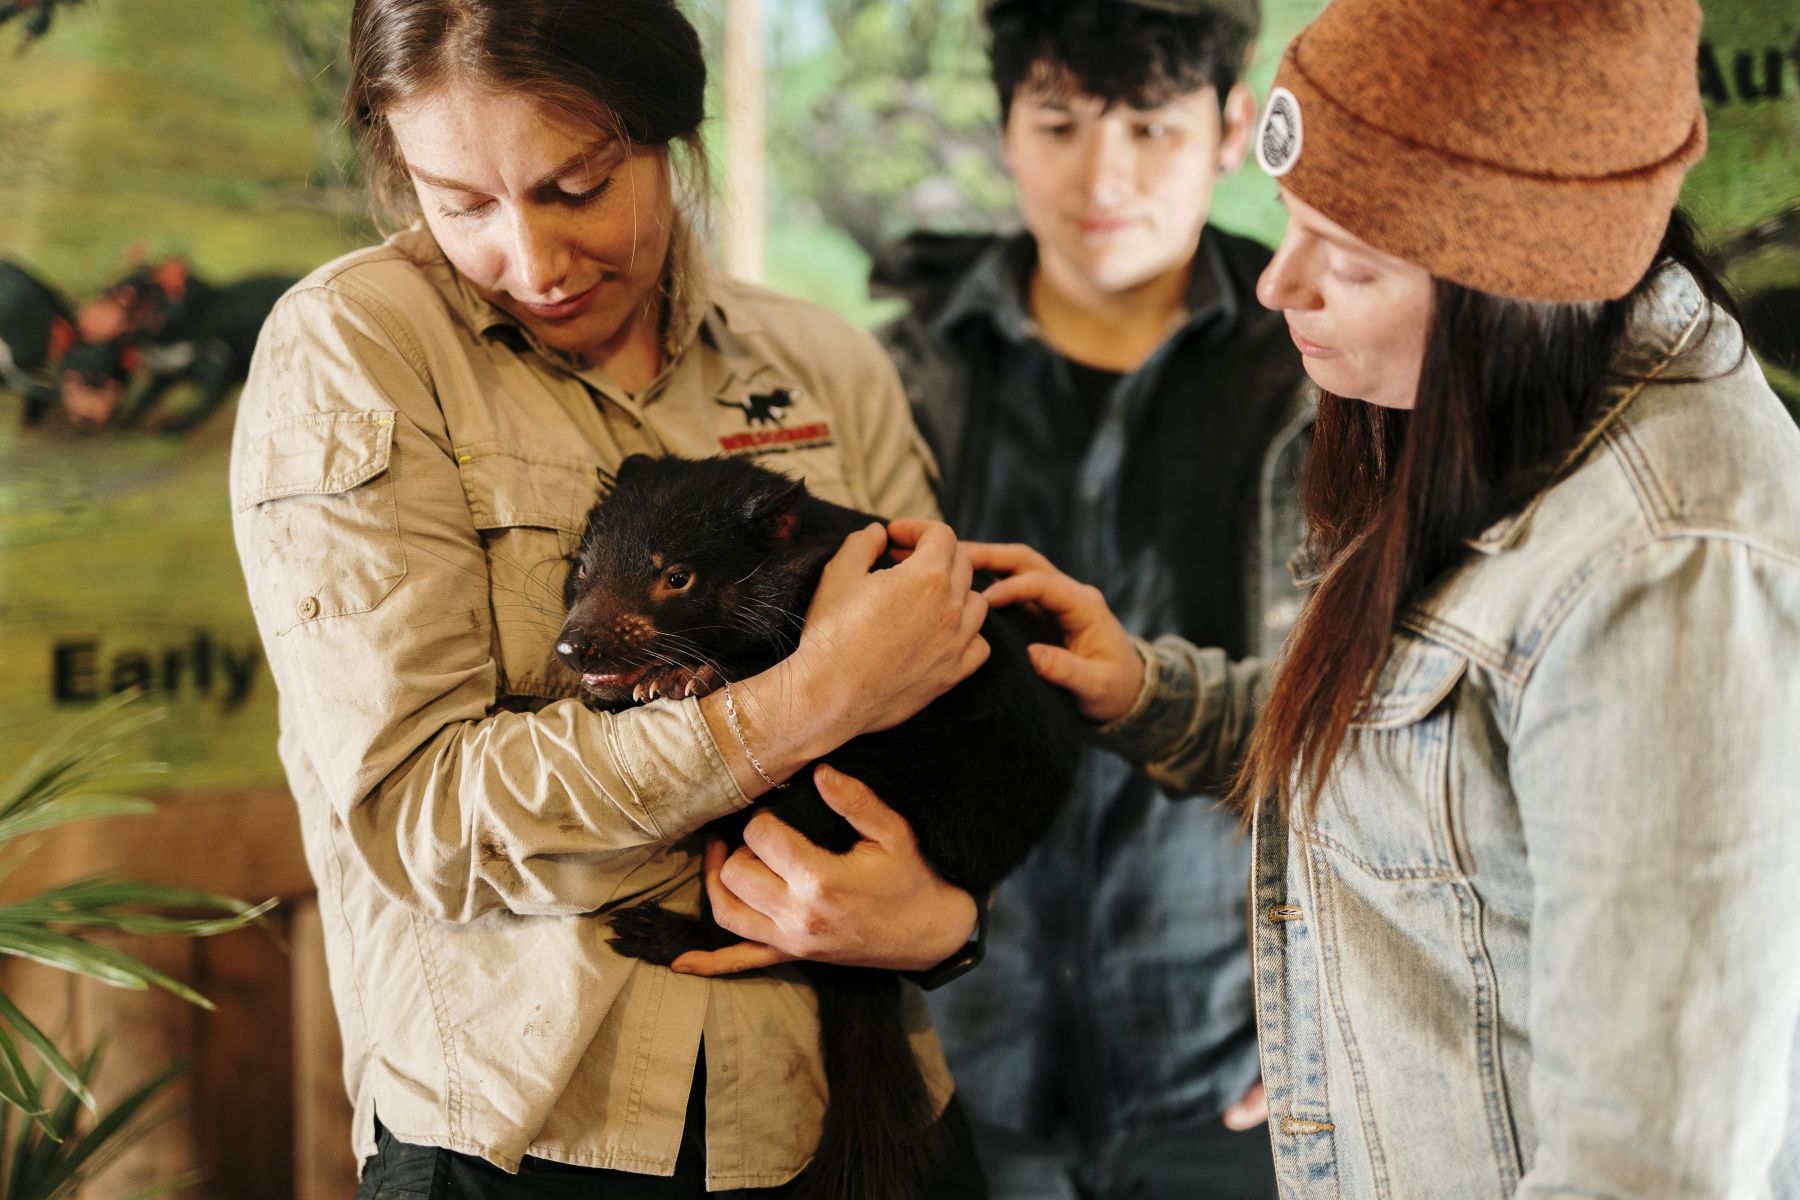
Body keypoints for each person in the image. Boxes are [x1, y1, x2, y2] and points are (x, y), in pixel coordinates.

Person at [946, 0, 1800, 1194]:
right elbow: (1425, 760)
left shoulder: (1669, 568)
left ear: (1516, 286)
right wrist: (1150, 693)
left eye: (1352, 262)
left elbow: (1646, 1163)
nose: (1279, 284)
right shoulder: (1498, 404)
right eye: (1290, 224)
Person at [229, 1, 994, 1195]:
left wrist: (943, 918)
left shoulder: (822, 362)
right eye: (462, 204)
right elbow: (423, 817)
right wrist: (803, 704)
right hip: (532, 1134)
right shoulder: (355, 352)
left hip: (859, 1105)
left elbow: (950, 711)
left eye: (578, 188)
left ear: (672, 134)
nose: (533, 262)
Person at [867, 0, 1304, 1194]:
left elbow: (1389, 721)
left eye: (1151, 129)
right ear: (1007, 128)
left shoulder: (1327, 367)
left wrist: (1336, 1002)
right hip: (957, 1046)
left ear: (1230, 130)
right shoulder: (900, 376)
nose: (1102, 177)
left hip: (1234, 1055)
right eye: (1059, 124)